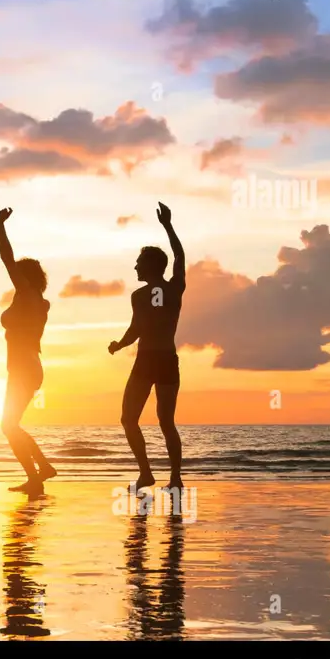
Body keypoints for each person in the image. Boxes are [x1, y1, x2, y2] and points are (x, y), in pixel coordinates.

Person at [108, 202, 185, 491]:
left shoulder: (165, 289)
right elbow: (135, 330)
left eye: (140, 263)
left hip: (156, 360)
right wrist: (119, 344)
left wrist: (167, 225)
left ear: (151, 266)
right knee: (149, 420)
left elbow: (178, 256)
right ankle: (156, 475)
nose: (136, 267)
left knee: (145, 420)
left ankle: (166, 476)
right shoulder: (153, 293)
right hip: (159, 359)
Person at [0, 207, 57, 494]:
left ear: (25, 278)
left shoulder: (26, 294)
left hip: (23, 367)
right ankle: (39, 472)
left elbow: (6, 259)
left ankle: (39, 473)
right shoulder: (39, 301)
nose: (13, 277)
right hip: (28, 367)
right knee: (11, 424)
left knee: (8, 425)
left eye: (18, 275)